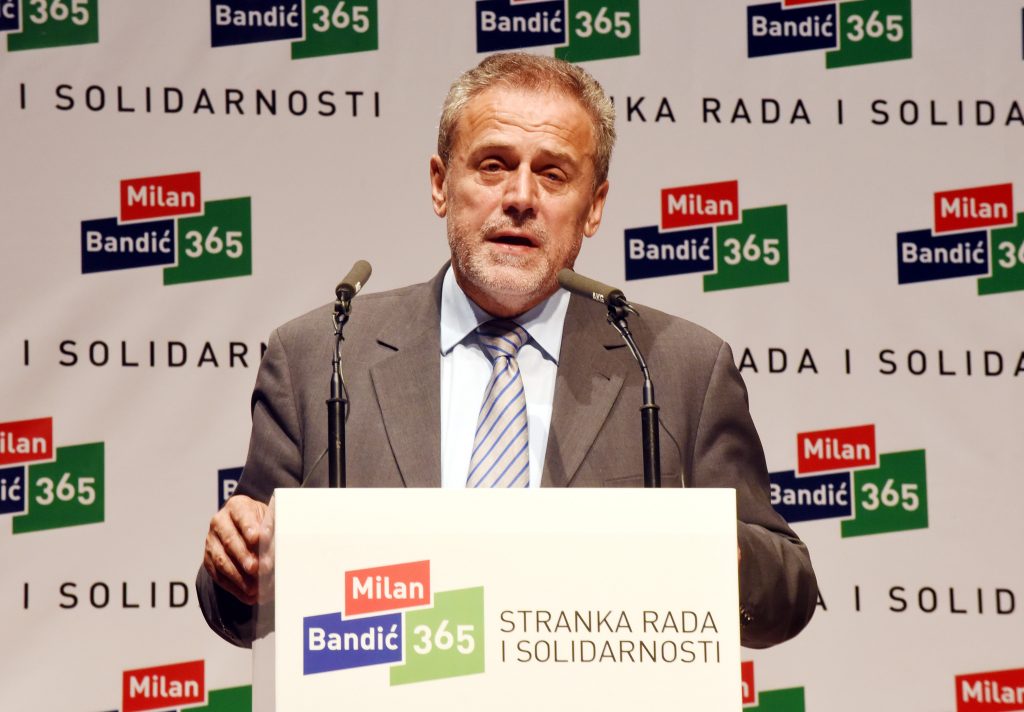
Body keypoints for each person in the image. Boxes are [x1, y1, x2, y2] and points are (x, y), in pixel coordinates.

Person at [197, 52, 817, 649]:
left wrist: (720, 554)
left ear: (594, 206)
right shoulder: (318, 356)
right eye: (493, 165)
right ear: (441, 184)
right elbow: (239, 600)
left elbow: (787, 593)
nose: (520, 197)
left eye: (553, 174)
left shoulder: (680, 367)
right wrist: (241, 567)